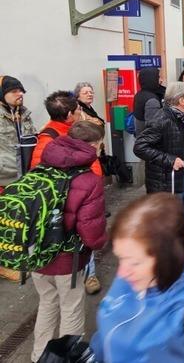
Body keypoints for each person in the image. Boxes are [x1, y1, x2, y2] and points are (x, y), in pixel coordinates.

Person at [90, 193, 184, 363]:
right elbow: (112, 325)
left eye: (134, 263)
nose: (121, 273)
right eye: (120, 258)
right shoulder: (132, 273)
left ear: (166, 257)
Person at [31, 121, 108, 362]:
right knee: (71, 310)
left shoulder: (41, 168)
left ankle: (38, 357)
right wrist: (102, 241)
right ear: (93, 146)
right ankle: (68, 357)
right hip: (67, 260)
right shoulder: (89, 180)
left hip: (37, 254)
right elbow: (91, 234)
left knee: (47, 304)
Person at [134, 82, 184, 211]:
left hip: (183, 178)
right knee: (172, 225)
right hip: (167, 184)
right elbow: (140, 147)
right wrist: (170, 160)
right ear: (182, 100)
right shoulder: (162, 119)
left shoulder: (183, 119)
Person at [0, 76, 37, 282]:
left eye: (21, 91)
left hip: (21, 177)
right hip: (3, 177)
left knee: (16, 222)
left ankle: (15, 260)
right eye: (14, 91)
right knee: (4, 224)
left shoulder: (24, 114)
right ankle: (5, 265)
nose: (20, 94)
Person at [73, 82, 106, 295]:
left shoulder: (90, 111)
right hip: (84, 179)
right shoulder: (79, 116)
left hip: (91, 174)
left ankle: (88, 272)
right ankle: (88, 274)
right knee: (83, 226)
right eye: (86, 92)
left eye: (91, 91)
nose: (90, 94)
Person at [30, 91, 102, 176]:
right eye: (79, 109)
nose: (81, 112)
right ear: (69, 115)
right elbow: (38, 172)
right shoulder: (48, 138)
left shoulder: (74, 128)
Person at [133, 67, 165, 135]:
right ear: (151, 79)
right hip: (150, 143)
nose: (161, 80)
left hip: (140, 138)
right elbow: (154, 129)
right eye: (158, 77)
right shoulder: (152, 101)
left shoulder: (139, 94)